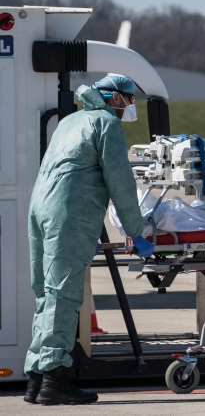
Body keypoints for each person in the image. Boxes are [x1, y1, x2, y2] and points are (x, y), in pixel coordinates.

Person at [24, 75, 154, 405]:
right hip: (69, 215)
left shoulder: (71, 120)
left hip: (42, 210)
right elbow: (120, 183)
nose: (129, 105)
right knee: (63, 297)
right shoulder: (106, 124)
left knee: (47, 294)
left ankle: (36, 378)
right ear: (114, 98)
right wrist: (136, 232)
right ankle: (55, 381)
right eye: (128, 98)